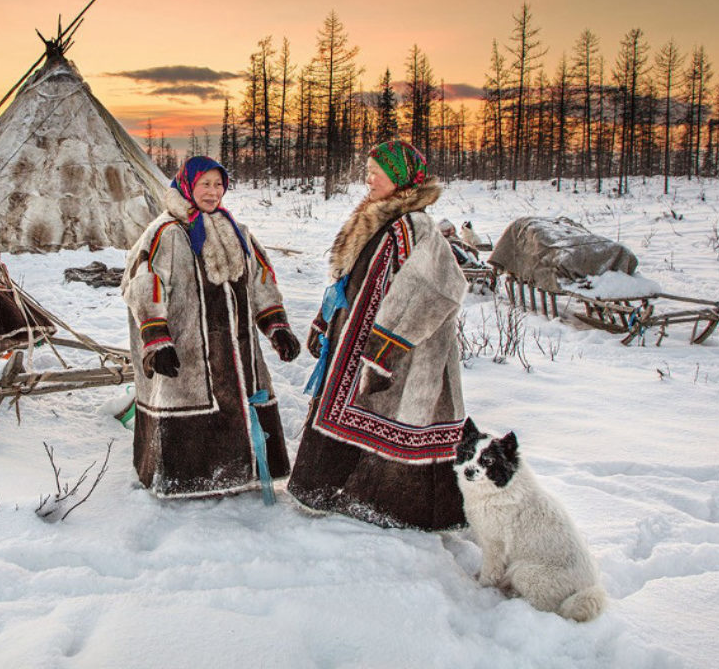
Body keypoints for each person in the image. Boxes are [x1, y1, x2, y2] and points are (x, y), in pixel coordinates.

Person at [288, 140, 469, 530]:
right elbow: (347, 279)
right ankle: (333, 490)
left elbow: (436, 289)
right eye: (368, 171)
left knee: (394, 412)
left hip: (400, 353)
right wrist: (325, 320)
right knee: (353, 408)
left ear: (399, 178)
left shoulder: (416, 226)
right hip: (353, 337)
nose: (367, 179)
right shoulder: (376, 219)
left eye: (376, 173)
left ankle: (395, 504)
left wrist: (386, 348)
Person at [122, 156, 301, 498]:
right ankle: (189, 482)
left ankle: (235, 475)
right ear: (188, 185)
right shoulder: (166, 232)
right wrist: (156, 339)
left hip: (239, 346)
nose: (213, 191)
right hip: (188, 349)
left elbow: (261, 279)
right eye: (205, 183)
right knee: (193, 400)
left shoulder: (236, 230)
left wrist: (276, 327)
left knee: (240, 398)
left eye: (219, 184)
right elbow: (143, 283)